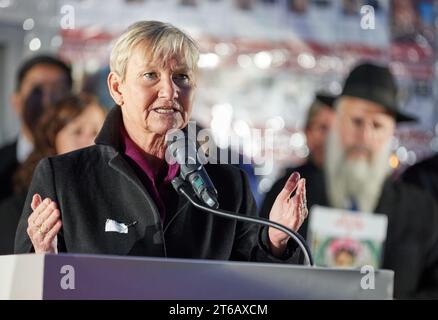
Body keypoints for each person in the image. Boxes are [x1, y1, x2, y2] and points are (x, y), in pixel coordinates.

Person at [15, 21, 308, 264]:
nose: (169, 90)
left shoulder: (228, 184)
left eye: (181, 76)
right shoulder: (64, 177)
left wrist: (277, 239)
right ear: (118, 88)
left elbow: (253, 287)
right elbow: (23, 281)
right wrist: (45, 258)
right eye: (150, 75)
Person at [262, 62, 438, 299]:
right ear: (336, 123)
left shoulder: (421, 211)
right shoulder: (288, 195)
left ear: (391, 133)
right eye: (356, 121)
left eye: (377, 125)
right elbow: (257, 270)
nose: (364, 136)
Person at [0, 94, 105, 255]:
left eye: (96, 132)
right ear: (52, 139)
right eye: (77, 132)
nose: (89, 141)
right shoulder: (14, 211)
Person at [0, 55, 72, 202]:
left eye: (58, 91)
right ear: (17, 101)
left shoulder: (84, 165)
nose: (47, 101)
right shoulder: (3, 165)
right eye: (37, 91)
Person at [260, 93, 336, 219]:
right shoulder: (287, 187)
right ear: (307, 131)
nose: (330, 138)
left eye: (336, 131)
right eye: (323, 128)